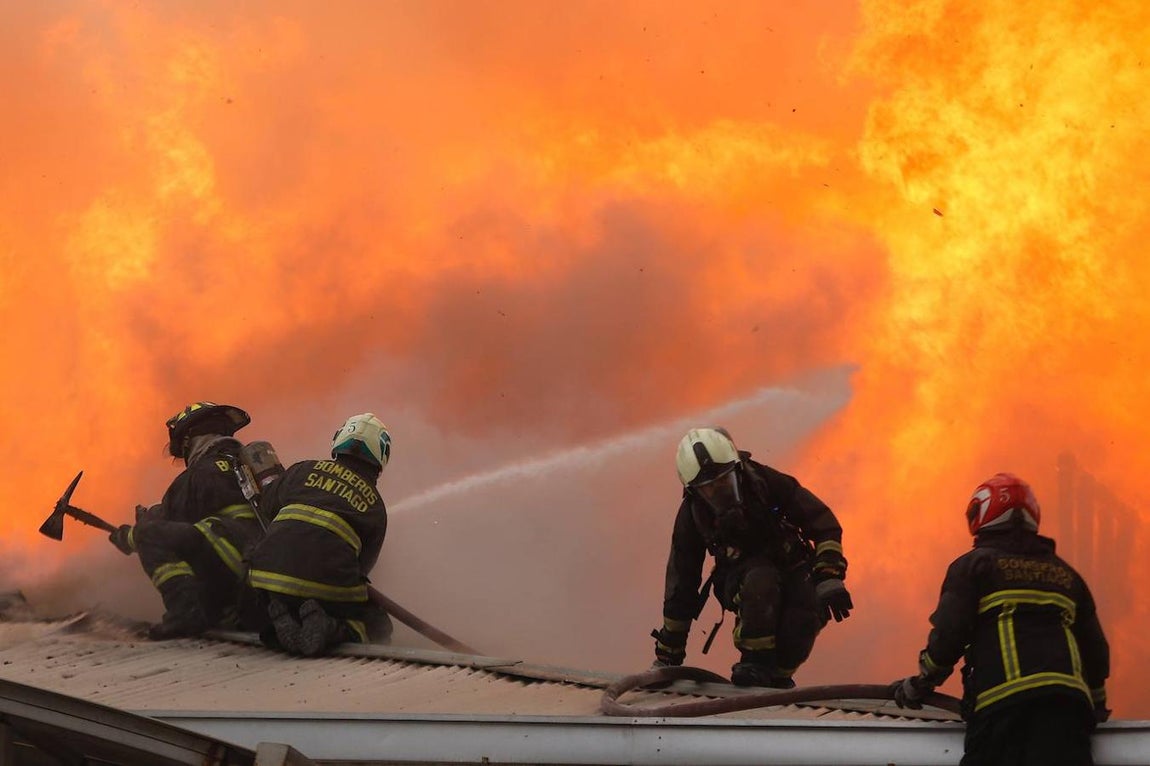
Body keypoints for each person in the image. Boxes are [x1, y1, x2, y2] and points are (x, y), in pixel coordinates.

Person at [891, 472, 1110, 765]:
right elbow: (1096, 651)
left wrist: (923, 681)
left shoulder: (974, 565)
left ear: (980, 514)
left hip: (1004, 711)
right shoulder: (1066, 575)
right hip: (1066, 711)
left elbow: (949, 635)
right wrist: (1096, 704)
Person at [652, 427, 853, 687]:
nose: (719, 491)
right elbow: (683, 583)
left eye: (724, 481)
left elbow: (822, 522)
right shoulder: (692, 516)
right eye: (709, 489)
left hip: (793, 566)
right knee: (761, 580)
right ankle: (754, 663)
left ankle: (777, 679)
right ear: (695, 491)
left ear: (737, 469)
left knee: (805, 612)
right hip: (741, 580)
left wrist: (829, 576)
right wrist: (669, 652)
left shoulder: (764, 482)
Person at [239, 413, 392, 656]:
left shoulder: (302, 470)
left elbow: (266, 507)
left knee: (265, 597)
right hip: (326, 589)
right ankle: (331, 628)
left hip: (266, 576)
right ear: (381, 457)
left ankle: (278, 619)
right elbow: (363, 567)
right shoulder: (376, 507)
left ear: (338, 440)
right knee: (378, 623)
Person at [108, 402, 263, 640]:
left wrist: (130, 535)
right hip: (266, 565)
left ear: (190, 440)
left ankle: (185, 615)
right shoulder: (249, 465)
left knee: (149, 535)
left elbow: (163, 525)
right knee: (197, 536)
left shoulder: (198, 474)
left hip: (238, 560)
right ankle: (226, 612)